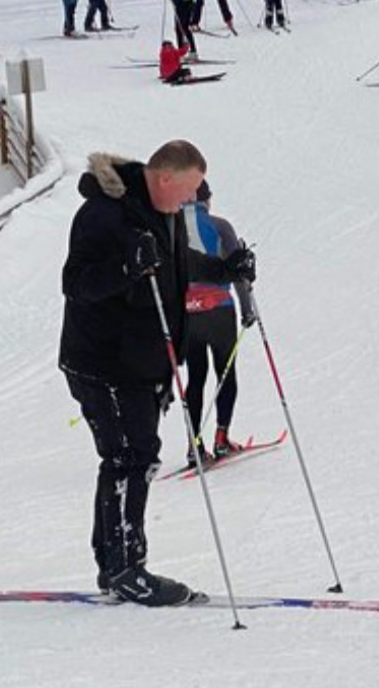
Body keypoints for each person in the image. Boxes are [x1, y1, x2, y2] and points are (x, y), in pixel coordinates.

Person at [59, 140, 257, 606]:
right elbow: (77, 283)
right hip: (103, 360)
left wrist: (225, 268)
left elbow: (178, 268)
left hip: (142, 362)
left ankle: (114, 566)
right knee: (133, 455)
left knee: (124, 456)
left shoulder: (162, 212)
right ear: (165, 178)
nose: (192, 202)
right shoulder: (102, 215)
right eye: (188, 192)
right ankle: (128, 568)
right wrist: (126, 267)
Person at [182, 181, 254, 463]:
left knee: (195, 378)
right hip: (219, 309)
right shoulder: (219, 225)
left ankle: (193, 445)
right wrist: (248, 310)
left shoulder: (172, 227)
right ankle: (221, 438)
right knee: (225, 373)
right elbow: (237, 270)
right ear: (206, 200)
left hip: (188, 311)